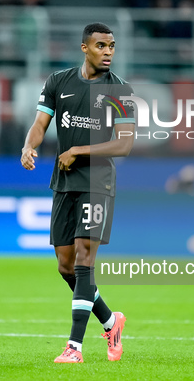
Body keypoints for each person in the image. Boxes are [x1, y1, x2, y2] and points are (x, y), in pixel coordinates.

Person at [20, 22, 135, 363]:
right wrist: (29, 146)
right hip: (64, 182)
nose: (109, 52)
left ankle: (74, 347)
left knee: (86, 259)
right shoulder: (59, 82)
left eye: (112, 46)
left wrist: (78, 151)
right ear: (85, 48)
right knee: (65, 265)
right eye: (101, 46)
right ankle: (112, 321)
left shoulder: (121, 91)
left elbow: (124, 144)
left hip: (98, 183)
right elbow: (40, 124)